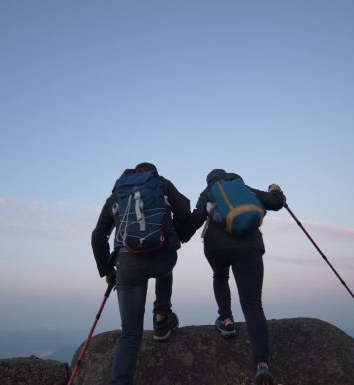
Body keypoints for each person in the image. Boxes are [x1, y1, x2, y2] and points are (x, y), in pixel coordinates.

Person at [91, 162, 191, 385]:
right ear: (152, 172)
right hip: (162, 258)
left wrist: (107, 270)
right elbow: (185, 210)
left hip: (127, 263)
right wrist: (175, 234)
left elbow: (98, 236)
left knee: (131, 334)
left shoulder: (118, 193)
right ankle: (162, 317)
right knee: (166, 262)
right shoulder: (162, 184)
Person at [184, 169, 285, 385]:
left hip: (216, 247)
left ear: (210, 181)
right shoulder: (245, 190)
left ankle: (226, 320)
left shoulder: (209, 192)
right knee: (253, 304)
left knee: (220, 276)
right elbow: (277, 203)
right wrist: (276, 190)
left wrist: (178, 235)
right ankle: (262, 365)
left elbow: (195, 220)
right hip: (250, 246)